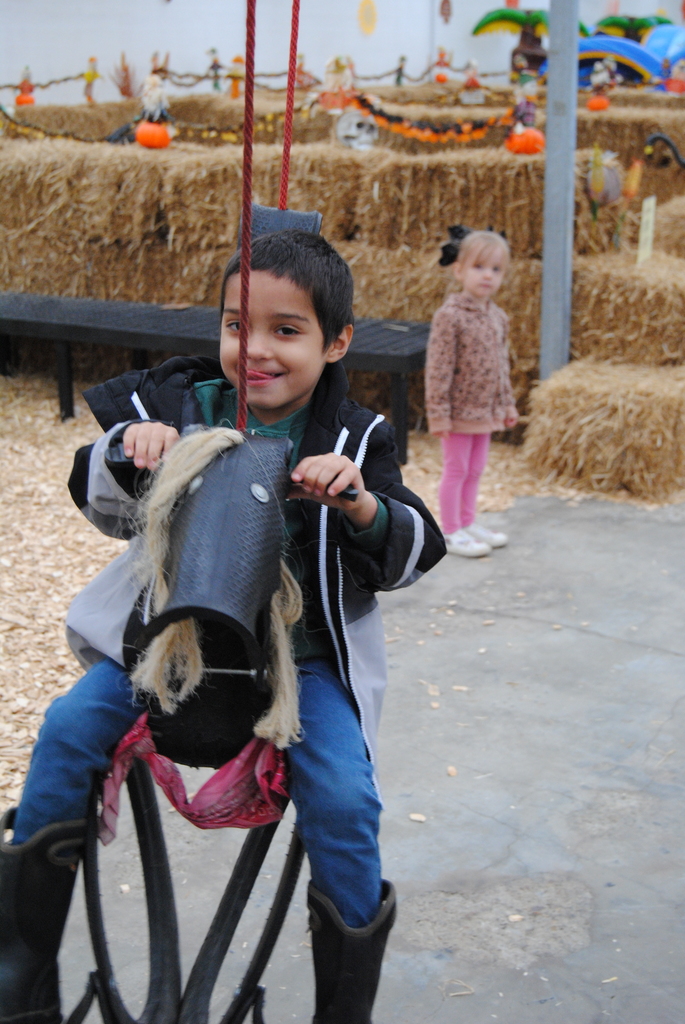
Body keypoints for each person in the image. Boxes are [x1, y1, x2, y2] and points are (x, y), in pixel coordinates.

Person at [0, 230, 445, 1024]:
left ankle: (344, 1010)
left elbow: (413, 550)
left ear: (336, 341)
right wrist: (125, 453)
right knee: (67, 730)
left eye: (286, 329)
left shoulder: (353, 440)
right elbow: (93, 495)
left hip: (298, 670)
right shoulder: (173, 406)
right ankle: (21, 976)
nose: (256, 349)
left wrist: (361, 506)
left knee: (344, 800)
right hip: (165, 648)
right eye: (236, 325)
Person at [425, 228, 518, 558]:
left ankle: (468, 521)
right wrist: (438, 413)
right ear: (459, 270)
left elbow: (501, 366)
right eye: (479, 267)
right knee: (457, 469)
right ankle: (450, 530)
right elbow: (438, 368)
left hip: (485, 412)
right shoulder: (450, 317)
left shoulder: (498, 317)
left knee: (476, 468)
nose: (488, 276)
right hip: (458, 412)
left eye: (496, 270)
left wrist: (506, 403)